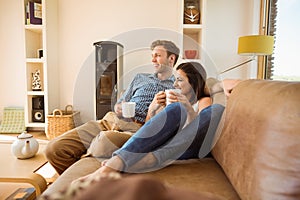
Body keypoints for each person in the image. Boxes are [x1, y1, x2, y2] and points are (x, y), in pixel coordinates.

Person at [45, 40, 180, 174]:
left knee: (103, 142)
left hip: (136, 129)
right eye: (152, 56)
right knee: (54, 149)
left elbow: (167, 125)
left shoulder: (177, 87)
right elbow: (120, 103)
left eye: (157, 55)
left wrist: (153, 108)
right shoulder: (140, 78)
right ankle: (73, 179)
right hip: (110, 121)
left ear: (171, 58)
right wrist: (118, 108)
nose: (153, 60)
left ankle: (88, 180)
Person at [74, 61, 225, 181]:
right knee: (176, 110)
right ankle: (117, 164)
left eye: (179, 80)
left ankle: (141, 161)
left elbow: (196, 132)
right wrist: (153, 108)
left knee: (216, 109)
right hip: (164, 146)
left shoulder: (203, 101)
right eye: (174, 80)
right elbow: (147, 131)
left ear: (193, 82)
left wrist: (188, 108)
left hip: (184, 148)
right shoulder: (172, 103)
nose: (174, 85)